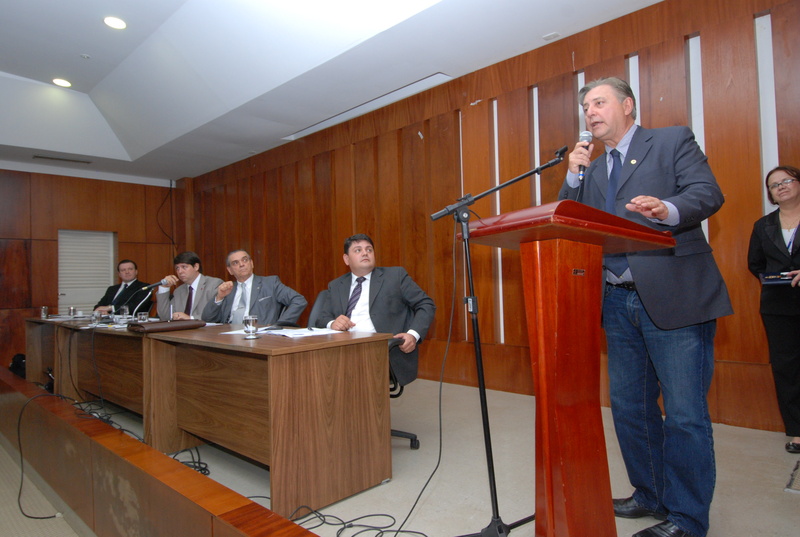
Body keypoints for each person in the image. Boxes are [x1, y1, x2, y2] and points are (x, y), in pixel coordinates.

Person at [558, 77, 733, 537]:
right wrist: (573, 176)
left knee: (684, 415)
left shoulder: (671, 140)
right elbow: (568, 221)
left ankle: (687, 518)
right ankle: (651, 493)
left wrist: (666, 209)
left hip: (675, 293)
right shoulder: (592, 168)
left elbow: (707, 193)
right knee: (630, 408)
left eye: (599, 102)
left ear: (627, 105)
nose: (590, 112)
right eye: (586, 107)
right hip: (616, 300)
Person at [312, 234, 436, 386]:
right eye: (358, 250)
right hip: (342, 347)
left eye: (369, 249)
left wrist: (413, 335)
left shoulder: (395, 276)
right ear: (346, 259)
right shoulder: (336, 285)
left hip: (381, 350)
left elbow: (426, 304)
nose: (365, 253)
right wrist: (332, 323)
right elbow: (322, 318)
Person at [747, 165, 800, 454]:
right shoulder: (763, 225)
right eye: (774, 185)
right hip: (778, 306)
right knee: (787, 368)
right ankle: (797, 430)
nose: (781, 187)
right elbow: (755, 264)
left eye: (787, 181)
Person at [201, 249, 307, 325]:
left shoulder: (270, 283)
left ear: (251, 263)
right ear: (230, 270)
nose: (241, 264)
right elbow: (207, 319)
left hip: (260, 337)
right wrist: (219, 297)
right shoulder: (228, 289)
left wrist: (280, 325)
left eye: (245, 260)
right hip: (229, 337)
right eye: (235, 263)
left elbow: (299, 300)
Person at [156, 251, 223, 321]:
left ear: (196, 267)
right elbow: (165, 317)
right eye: (177, 268)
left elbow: (217, 314)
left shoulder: (214, 284)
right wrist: (164, 288)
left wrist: (190, 318)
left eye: (184, 267)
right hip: (182, 328)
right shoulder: (178, 291)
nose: (180, 271)